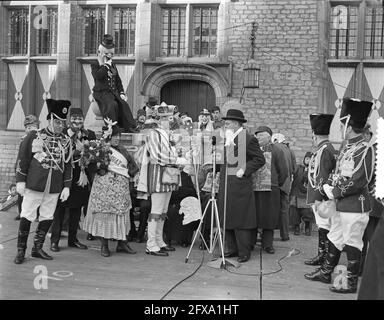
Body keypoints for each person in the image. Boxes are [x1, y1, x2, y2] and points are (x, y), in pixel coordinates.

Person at [305, 98, 374, 294]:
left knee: (352, 241)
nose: (341, 128)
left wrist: (334, 191)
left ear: (350, 126)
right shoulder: (348, 147)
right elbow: (341, 173)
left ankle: (348, 282)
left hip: (354, 205)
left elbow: (360, 179)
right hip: (341, 204)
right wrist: (330, 184)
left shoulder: (363, 148)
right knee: (335, 236)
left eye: (343, 124)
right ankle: (327, 272)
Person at [14, 99, 73, 264]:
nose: (60, 125)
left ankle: (37, 248)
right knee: (27, 215)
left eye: (62, 122)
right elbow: (23, 159)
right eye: (57, 121)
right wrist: (20, 181)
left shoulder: (66, 141)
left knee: (47, 216)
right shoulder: (35, 135)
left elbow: (68, 166)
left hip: (53, 187)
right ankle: (21, 250)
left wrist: (66, 186)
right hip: (35, 184)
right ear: (49, 119)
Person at [136, 102, 188, 256]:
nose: (168, 120)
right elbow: (158, 156)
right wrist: (178, 160)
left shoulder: (169, 134)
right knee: (156, 210)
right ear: (158, 119)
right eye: (164, 117)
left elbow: (175, 152)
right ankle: (151, 244)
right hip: (158, 176)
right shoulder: (154, 133)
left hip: (170, 176)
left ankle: (159, 241)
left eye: (170, 117)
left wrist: (180, 156)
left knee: (164, 211)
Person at [83, 122, 138, 257]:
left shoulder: (123, 150)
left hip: (120, 189)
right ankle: (104, 245)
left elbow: (133, 166)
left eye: (118, 136)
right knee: (105, 215)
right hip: (104, 188)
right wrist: (100, 168)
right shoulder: (99, 148)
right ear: (108, 136)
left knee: (121, 215)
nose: (117, 138)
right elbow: (91, 166)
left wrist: (130, 173)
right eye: (114, 136)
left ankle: (122, 243)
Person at [218, 109, 265, 263]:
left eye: (228, 123)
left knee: (241, 220)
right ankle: (232, 249)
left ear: (237, 123)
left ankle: (244, 252)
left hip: (240, 185)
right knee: (228, 218)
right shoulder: (229, 138)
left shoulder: (248, 138)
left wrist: (244, 170)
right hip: (227, 184)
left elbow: (259, 159)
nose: (226, 125)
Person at [50, 108, 97, 252]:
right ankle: (55, 241)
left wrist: (89, 154)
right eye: (74, 119)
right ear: (69, 120)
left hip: (81, 177)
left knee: (76, 209)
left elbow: (94, 155)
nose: (77, 122)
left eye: (80, 119)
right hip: (64, 178)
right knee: (60, 209)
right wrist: (74, 151)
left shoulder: (89, 134)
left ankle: (73, 239)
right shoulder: (62, 135)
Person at [304, 113, 336, 266]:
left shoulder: (324, 150)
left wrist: (319, 197)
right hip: (320, 196)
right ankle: (321, 255)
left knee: (324, 227)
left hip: (321, 197)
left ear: (314, 135)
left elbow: (322, 175)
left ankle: (323, 257)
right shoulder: (325, 148)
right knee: (322, 227)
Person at [253, 126, 288, 254]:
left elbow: (283, 171)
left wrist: (276, 183)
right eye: (257, 135)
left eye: (261, 135)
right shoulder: (253, 149)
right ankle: (251, 241)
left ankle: (267, 244)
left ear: (269, 136)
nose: (258, 137)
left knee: (269, 217)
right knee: (253, 216)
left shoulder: (277, 150)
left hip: (271, 188)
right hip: (254, 188)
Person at [91, 34, 137, 133]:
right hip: (101, 92)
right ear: (102, 53)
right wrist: (105, 66)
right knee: (111, 105)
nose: (110, 57)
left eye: (111, 54)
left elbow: (118, 80)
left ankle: (129, 127)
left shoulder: (112, 65)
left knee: (123, 104)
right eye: (108, 54)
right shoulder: (95, 64)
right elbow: (97, 76)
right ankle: (113, 127)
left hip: (113, 92)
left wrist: (121, 92)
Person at [359, 125, 384, 276]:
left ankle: (364, 269)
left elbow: (366, 176)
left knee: (365, 237)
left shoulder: (373, 150)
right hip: (376, 202)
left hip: (370, 200)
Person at [15, 115, 40, 220]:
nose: (29, 129)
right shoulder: (23, 139)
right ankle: (21, 212)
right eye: (27, 127)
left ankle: (36, 213)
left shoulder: (39, 139)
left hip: (34, 171)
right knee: (21, 193)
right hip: (23, 169)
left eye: (32, 126)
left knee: (35, 193)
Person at [272, 133, 297, 241]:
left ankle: (266, 236)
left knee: (270, 209)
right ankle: (285, 235)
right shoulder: (290, 151)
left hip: (274, 183)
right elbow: (295, 169)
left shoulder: (273, 148)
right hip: (286, 184)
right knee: (284, 210)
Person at [290, 152, 314, 236]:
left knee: (306, 212)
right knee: (295, 212)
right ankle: (297, 227)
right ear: (304, 159)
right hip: (297, 193)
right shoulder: (299, 168)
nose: (308, 161)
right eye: (307, 159)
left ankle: (307, 227)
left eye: (310, 159)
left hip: (306, 195)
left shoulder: (314, 170)